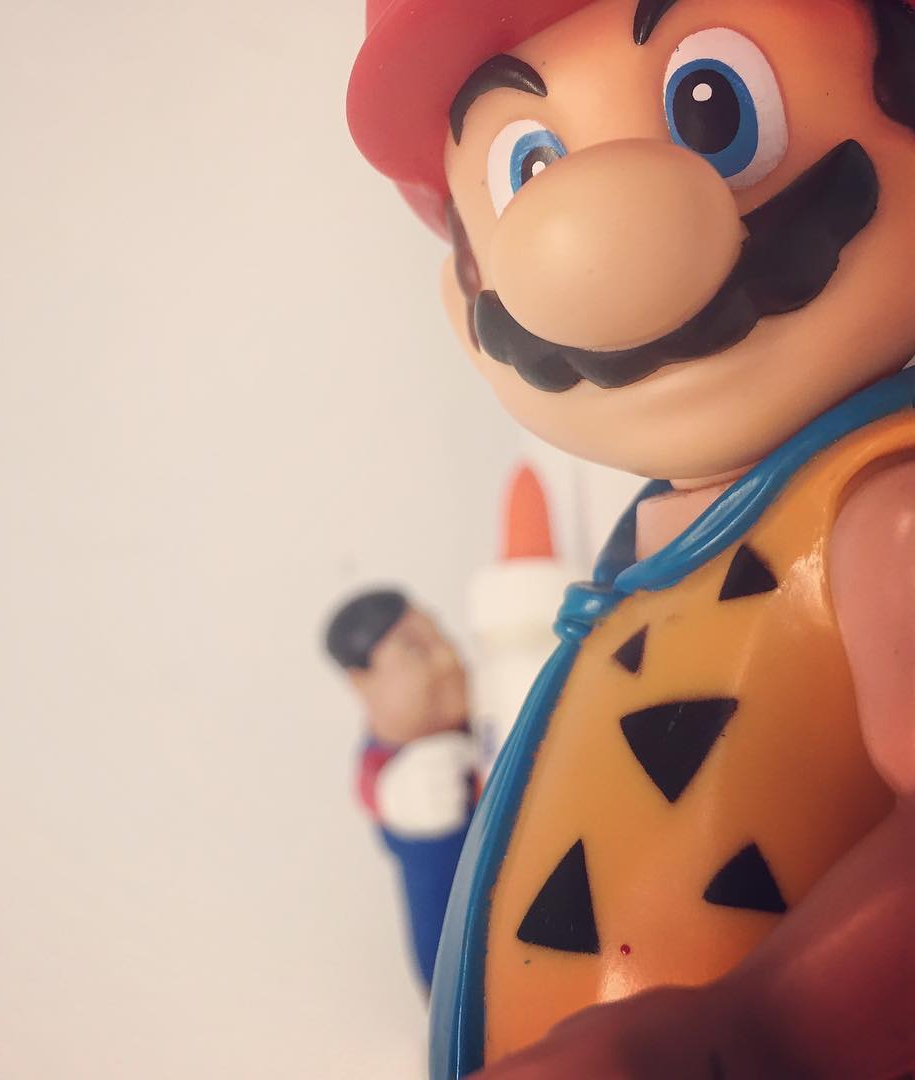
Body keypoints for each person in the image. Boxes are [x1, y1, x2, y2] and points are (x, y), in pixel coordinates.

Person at [346, 1, 915, 1076]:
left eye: (712, 109)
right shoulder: (633, 571)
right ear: (466, 293)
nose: (591, 237)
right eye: (528, 167)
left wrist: (765, 1025)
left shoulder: (882, 513)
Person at [325, 589, 476, 989]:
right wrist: (397, 798)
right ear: (362, 682)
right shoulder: (392, 774)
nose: (447, 659)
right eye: (415, 650)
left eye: (439, 637)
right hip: (469, 970)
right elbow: (372, 788)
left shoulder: (483, 713)